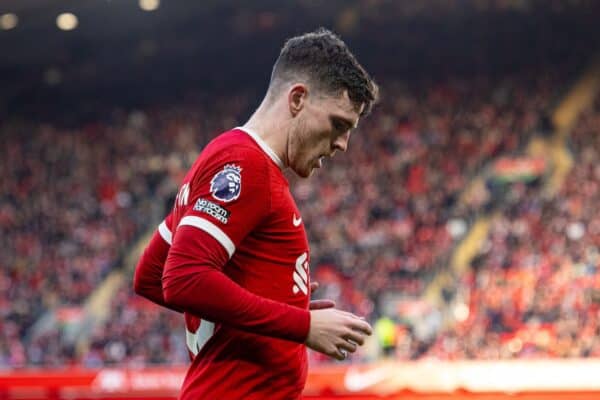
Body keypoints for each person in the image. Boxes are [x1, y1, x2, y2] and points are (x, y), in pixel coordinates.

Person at [133, 27, 379, 399]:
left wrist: (271, 302)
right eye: (338, 124)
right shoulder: (245, 165)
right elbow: (182, 277)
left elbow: (151, 276)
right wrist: (301, 322)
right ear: (298, 99)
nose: (343, 144)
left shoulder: (233, 158)